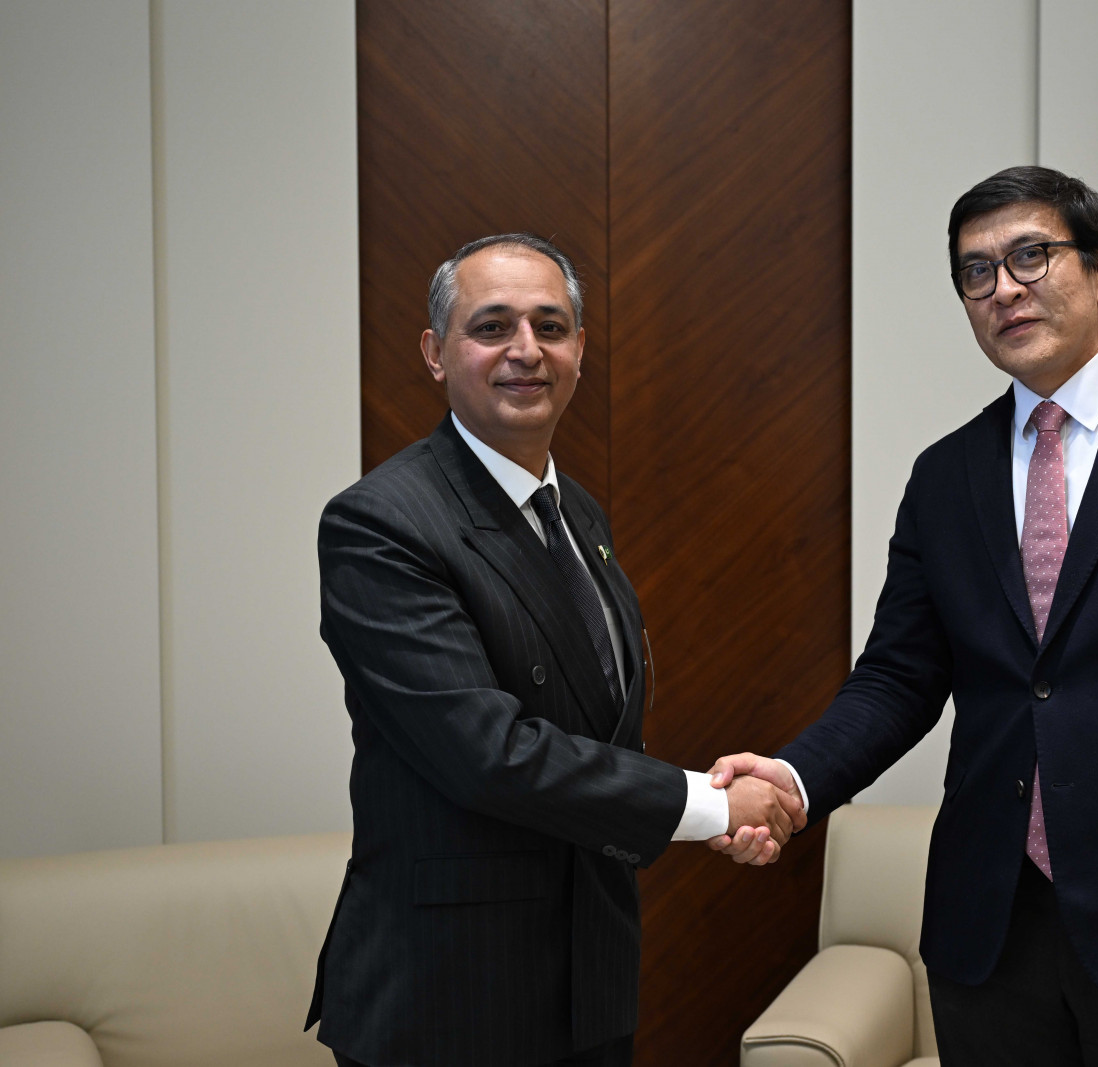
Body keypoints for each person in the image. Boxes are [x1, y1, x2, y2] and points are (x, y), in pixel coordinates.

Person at [708, 167, 1098, 1066]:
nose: (1004, 288)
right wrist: (793, 777)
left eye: (1031, 256)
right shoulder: (946, 475)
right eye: (977, 272)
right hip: (990, 927)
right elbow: (897, 678)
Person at [304, 233, 802, 1067]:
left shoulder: (579, 513)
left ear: (579, 349)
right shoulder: (381, 524)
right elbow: (486, 753)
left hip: (587, 979)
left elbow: (599, 726)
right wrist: (711, 806)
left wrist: (710, 810)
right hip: (447, 1000)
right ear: (435, 353)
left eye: (551, 325)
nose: (526, 349)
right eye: (492, 326)